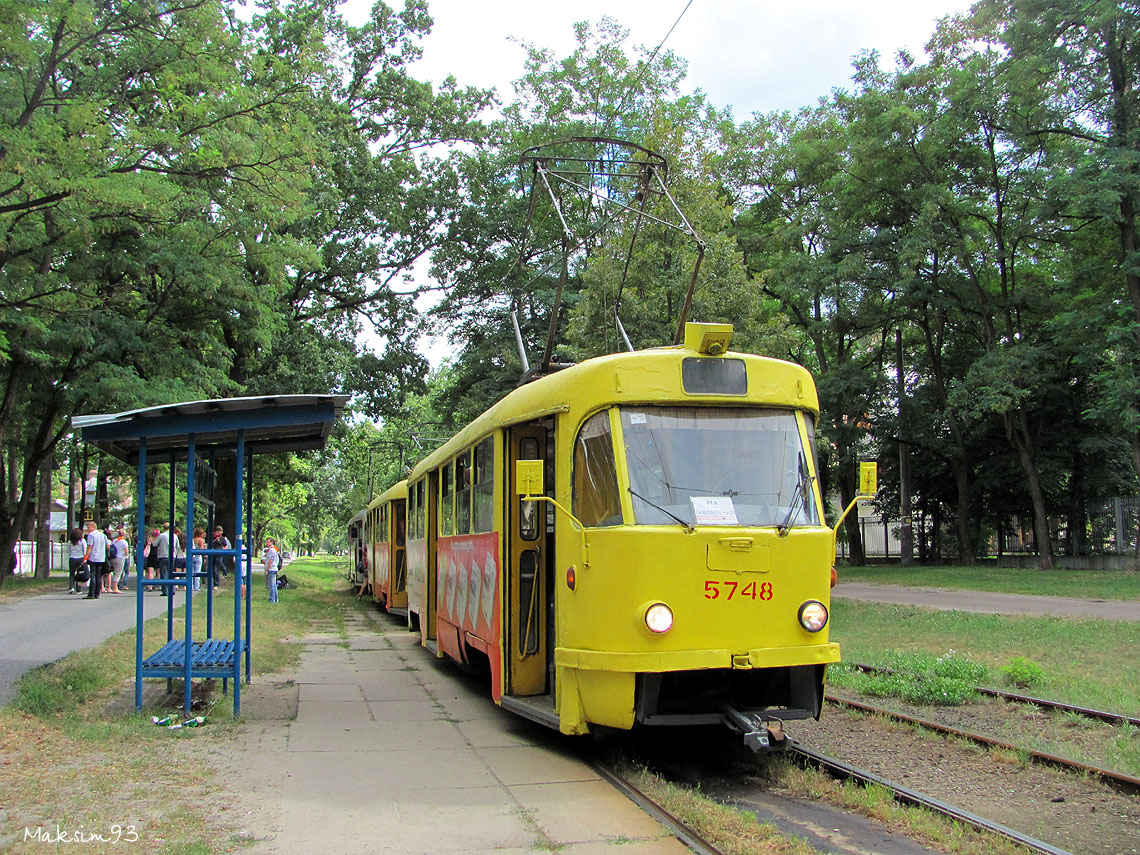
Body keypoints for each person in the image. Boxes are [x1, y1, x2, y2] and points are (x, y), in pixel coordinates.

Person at [82, 521, 109, 600]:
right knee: (98, 575)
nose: (88, 529)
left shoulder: (91, 535)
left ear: (93, 527)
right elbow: (107, 546)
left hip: (94, 557)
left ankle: (91, 593)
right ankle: (97, 593)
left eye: (88, 527)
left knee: (93, 575)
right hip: (101, 557)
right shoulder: (103, 535)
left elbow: (90, 546)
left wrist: (86, 556)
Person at [210, 525, 232, 590]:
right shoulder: (212, 537)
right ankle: (213, 583)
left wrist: (223, 552)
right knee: (212, 569)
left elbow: (225, 546)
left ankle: (216, 584)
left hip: (219, 554)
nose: (220, 533)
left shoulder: (222, 538)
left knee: (215, 569)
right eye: (219, 531)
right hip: (212, 554)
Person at [67, 528, 87, 594]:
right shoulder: (82, 541)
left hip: (72, 558)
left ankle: (71, 587)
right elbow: (85, 549)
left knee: (72, 574)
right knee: (80, 574)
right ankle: (78, 589)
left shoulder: (70, 542)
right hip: (80, 558)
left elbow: (69, 550)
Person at [107, 528, 127, 593]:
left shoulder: (115, 540)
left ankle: (112, 586)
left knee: (115, 572)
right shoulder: (124, 542)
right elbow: (126, 551)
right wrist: (126, 555)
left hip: (114, 557)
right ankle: (115, 588)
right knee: (118, 572)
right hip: (121, 557)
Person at [264, 537, 280, 604]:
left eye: (268, 541)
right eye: (266, 541)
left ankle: (272, 599)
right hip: (274, 568)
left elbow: (270, 561)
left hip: (271, 569)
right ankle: (275, 599)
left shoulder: (271, 550)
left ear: (271, 542)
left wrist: (267, 569)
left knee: (272, 585)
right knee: (274, 585)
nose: (267, 543)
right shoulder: (274, 550)